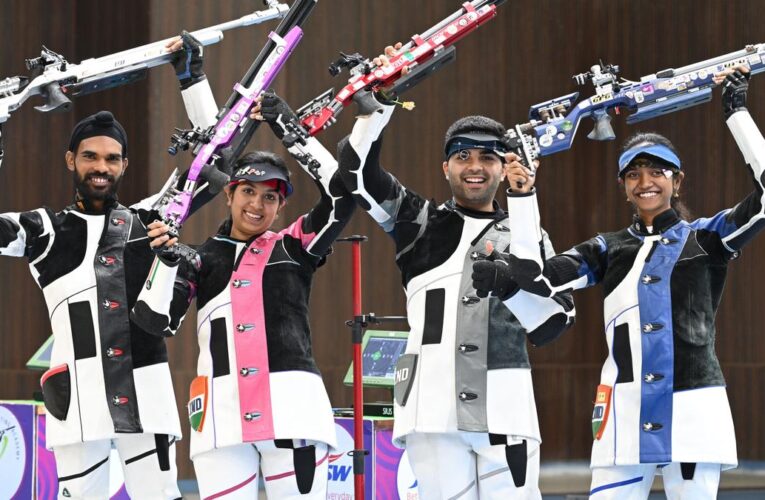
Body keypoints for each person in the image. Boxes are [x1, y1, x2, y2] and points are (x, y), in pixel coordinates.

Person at [476, 66, 762, 498]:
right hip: (621, 414)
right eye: (634, 174)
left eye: (658, 171)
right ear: (623, 186)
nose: (645, 182)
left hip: (693, 410)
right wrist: (521, 195)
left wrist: (737, 113)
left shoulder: (707, 237)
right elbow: (537, 277)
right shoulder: (606, 249)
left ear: (677, 181)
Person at [334, 47, 575, 498]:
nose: (475, 167)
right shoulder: (418, 222)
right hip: (430, 413)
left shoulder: (528, 233)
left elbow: (554, 323)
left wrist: (511, 286)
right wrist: (380, 101)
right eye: (463, 156)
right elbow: (357, 176)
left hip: (507, 412)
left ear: (505, 168)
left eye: (488, 157)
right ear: (445, 166)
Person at [130, 92, 386, 499]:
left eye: (270, 196)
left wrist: (292, 131)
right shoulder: (195, 258)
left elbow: (344, 196)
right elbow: (154, 322)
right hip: (220, 418)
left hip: (294, 413)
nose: (257, 203)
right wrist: (163, 260)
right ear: (228, 194)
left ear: (281, 206)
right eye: (248, 191)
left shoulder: (295, 247)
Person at [0, 34, 215, 499]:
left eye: (112, 158)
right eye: (91, 156)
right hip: (77, 402)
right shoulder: (44, 230)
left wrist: (192, 80)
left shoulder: (151, 220)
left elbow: (212, 160)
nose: (102, 167)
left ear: (124, 165)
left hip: (147, 395)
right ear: (71, 161)